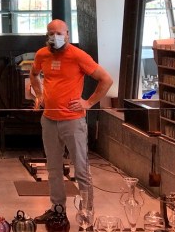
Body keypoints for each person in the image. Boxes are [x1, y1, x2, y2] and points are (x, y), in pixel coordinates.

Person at [29, 19, 113, 224]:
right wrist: (39, 95)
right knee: (53, 169)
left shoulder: (78, 55)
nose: (55, 37)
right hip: (49, 120)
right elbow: (33, 74)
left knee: (81, 170)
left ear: (67, 34)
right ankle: (57, 209)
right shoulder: (42, 54)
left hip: (73, 122)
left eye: (59, 33)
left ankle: (87, 213)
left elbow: (106, 79)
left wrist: (88, 102)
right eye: (51, 33)